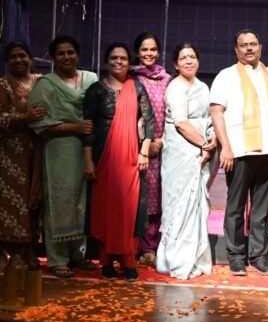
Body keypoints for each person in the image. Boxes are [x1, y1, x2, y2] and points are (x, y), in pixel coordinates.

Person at [210, 29, 268, 276]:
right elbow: (217, 112)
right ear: (236, 49)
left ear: (260, 47)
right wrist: (226, 147)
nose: (249, 48)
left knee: (262, 210)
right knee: (235, 206)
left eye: (253, 44)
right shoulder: (226, 76)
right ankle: (236, 256)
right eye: (244, 45)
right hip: (239, 151)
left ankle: (259, 256)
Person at [83, 43, 154, 282]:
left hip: (131, 157)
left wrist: (144, 152)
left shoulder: (137, 88)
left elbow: (149, 120)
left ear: (129, 62)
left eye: (123, 58)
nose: (118, 62)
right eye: (114, 58)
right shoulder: (96, 90)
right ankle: (106, 262)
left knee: (129, 209)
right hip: (103, 156)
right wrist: (88, 160)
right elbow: (88, 127)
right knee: (106, 209)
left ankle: (128, 261)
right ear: (106, 62)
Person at [28, 35, 98, 278]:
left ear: (77, 54)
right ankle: (58, 259)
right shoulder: (45, 84)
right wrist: (75, 127)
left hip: (88, 148)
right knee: (60, 200)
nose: (66, 57)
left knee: (82, 201)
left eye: (70, 52)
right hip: (59, 148)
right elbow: (39, 122)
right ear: (53, 57)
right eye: (61, 53)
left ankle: (79, 255)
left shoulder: (90, 79)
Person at [156, 43, 217, 280]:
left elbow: (209, 119)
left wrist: (211, 139)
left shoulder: (202, 87)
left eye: (192, 56)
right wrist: (204, 144)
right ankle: (176, 260)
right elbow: (181, 123)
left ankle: (195, 257)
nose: (189, 61)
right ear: (176, 64)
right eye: (183, 58)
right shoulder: (176, 87)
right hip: (181, 152)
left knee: (196, 206)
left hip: (201, 149)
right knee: (178, 204)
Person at [0, 42, 46, 269]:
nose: (18, 60)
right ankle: (14, 251)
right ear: (7, 62)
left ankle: (29, 251)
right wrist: (25, 117)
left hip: (39, 150)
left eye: (22, 56)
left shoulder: (41, 82)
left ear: (31, 58)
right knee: (14, 201)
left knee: (35, 198)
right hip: (11, 153)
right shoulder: (3, 84)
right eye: (13, 57)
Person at [130, 32, 171, 267]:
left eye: (153, 49)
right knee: (140, 197)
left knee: (158, 197)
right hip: (137, 147)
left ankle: (152, 247)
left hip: (164, 147)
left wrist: (161, 140)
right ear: (137, 52)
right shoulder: (130, 78)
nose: (149, 54)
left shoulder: (167, 79)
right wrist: (144, 142)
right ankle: (138, 247)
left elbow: (171, 114)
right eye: (144, 49)